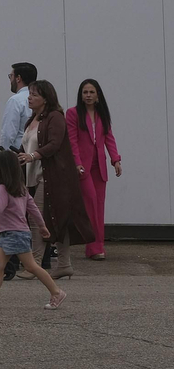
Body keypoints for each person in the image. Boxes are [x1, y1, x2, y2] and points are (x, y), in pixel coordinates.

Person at [0, 149, 66, 309]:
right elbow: (33, 208)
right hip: (11, 234)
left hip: (14, 234)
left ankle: (56, 292)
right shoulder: (21, 188)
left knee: (31, 266)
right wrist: (42, 226)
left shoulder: (3, 188)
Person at [23, 80, 93, 277]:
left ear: (46, 99)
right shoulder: (32, 120)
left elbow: (54, 145)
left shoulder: (55, 118)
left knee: (38, 219)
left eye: (34, 94)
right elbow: (27, 146)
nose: (30, 97)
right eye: (29, 93)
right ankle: (64, 264)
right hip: (33, 177)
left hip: (51, 177)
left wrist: (32, 156)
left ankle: (34, 265)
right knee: (56, 220)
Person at [67, 78, 122, 261]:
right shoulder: (73, 113)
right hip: (83, 166)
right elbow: (72, 140)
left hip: (100, 165)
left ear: (98, 95)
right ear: (81, 95)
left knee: (99, 205)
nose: (88, 95)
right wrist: (76, 162)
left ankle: (98, 247)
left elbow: (109, 138)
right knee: (90, 202)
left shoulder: (102, 114)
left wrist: (116, 160)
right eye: (85, 92)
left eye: (91, 92)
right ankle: (93, 246)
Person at [0, 62, 37, 151]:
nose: (10, 80)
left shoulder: (15, 101)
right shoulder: (40, 98)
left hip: (18, 154)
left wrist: (4, 154)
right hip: (36, 153)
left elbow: (8, 134)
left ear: (18, 78)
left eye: (11, 76)